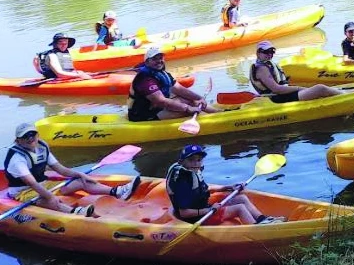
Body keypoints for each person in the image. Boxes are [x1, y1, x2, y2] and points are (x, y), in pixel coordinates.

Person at [4, 122, 140, 217]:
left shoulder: (42, 147)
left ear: (37, 135)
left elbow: (60, 169)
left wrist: (79, 174)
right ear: (18, 141)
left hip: (44, 184)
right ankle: (75, 212)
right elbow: (31, 183)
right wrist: (50, 196)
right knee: (44, 200)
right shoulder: (17, 158)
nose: (30, 138)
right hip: (23, 192)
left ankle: (117, 191)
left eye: (32, 134)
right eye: (25, 136)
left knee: (81, 180)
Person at [166, 145, 283, 225]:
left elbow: (203, 190)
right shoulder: (183, 181)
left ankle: (263, 220)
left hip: (204, 208)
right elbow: (184, 213)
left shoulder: (193, 173)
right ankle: (258, 231)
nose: (196, 163)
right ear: (182, 162)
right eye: (191, 160)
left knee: (241, 198)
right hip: (198, 217)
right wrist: (210, 209)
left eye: (199, 160)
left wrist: (226, 187)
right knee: (240, 208)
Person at [128, 47, 219, 122]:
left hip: (156, 109)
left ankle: (218, 113)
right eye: (154, 59)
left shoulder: (162, 73)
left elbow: (179, 89)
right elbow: (161, 101)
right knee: (189, 109)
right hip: (142, 116)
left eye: (160, 58)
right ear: (147, 62)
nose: (159, 61)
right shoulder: (145, 80)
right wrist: (187, 108)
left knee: (191, 100)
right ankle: (215, 118)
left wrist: (198, 98)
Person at [250, 40, 344, 103]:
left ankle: (338, 94)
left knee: (315, 88)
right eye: (266, 52)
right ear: (258, 53)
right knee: (320, 88)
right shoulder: (262, 69)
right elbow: (277, 89)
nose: (269, 54)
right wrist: (299, 88)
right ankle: (346, 96)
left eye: (271, 52)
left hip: (281, 95)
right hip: (278, 98)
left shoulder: (265, 64)